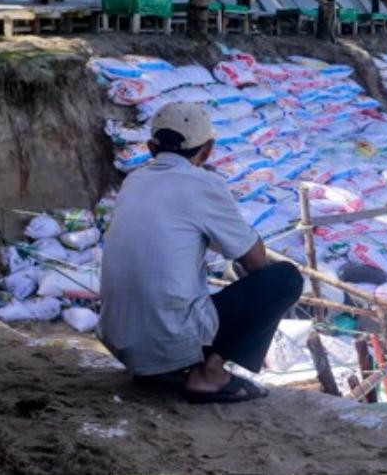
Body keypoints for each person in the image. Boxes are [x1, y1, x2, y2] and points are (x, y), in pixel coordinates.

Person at [98, 102, 302, 403]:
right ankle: (210, 374)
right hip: (168, 337)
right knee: (285, 278)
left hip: (121, 341)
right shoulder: (204, 183)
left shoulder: (133, 181)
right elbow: (256, 261)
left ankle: (160, 367)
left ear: (152, 148)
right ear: (207, 150)